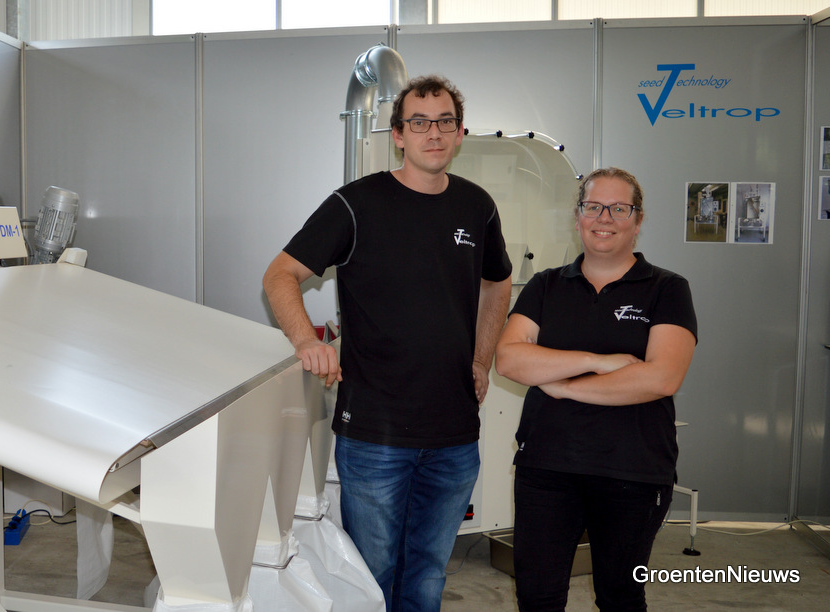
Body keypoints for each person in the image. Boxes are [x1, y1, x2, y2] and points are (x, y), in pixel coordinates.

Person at [262, 75, 512, 612]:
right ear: (398, 135)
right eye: (419, 122)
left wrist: (481, 358)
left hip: (454, 434)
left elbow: (497, 283)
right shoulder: (356, 204)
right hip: (375, 434)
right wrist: (306, 341)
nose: (433, 133)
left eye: (444, 122)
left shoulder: (477, 207)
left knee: (427, 576)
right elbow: (280, 274)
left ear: (460, 132)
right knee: (372, 578)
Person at [495, 167, 698, 611]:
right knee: (537, 597)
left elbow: (661, 377)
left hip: (633, 472)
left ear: (637, 220)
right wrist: (597, 362)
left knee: (620, 597)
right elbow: (509, 359)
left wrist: (563, 385)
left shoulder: (667, 289)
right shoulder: (546, 285)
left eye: (619, 208)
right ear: (578, 216)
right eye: (593, 206)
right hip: (546, 467)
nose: (604, 218)